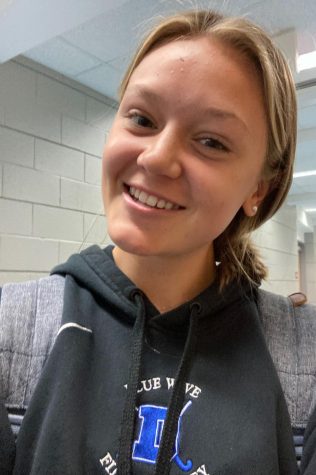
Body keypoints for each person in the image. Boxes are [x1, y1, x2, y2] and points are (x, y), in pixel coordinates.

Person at [10, 8, 301, 475]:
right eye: (142, 118)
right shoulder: (13, 333)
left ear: (257, 190)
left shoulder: (303, 358)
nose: (158, 158)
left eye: (211, 142)